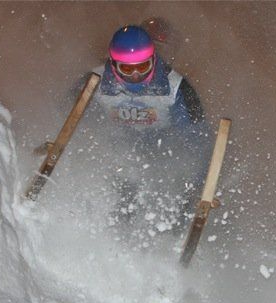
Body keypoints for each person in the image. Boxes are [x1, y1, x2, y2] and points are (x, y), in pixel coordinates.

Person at [81, 24, 212, 241]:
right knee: (122, 186)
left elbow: (196, 139)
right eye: (127, 69)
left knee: (163, 194)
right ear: (114, 65)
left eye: (142, 67)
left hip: (161, 151)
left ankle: (168, 237)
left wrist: (197, 185)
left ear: (153, 60)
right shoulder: (94, 82)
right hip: (117, 149)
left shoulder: (176, 88)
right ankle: (111, 236)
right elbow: (70, 118)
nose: (135, 75)